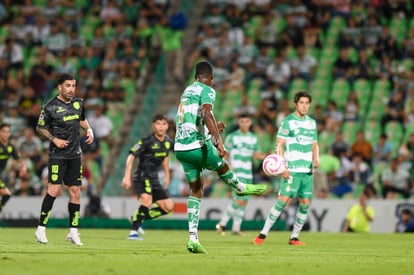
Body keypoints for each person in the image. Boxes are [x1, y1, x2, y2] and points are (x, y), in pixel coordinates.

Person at [174, 61, 267, 254]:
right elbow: (208, 113)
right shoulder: (207, 90)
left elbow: (197, 119)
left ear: (195, 77)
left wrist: (214, 131)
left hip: (181, 147)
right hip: (195, 144)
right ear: (212, 77)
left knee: (197, 189)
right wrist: (218, 141)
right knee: (221, 165)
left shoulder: (187, 91)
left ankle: (193, 239)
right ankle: (241, 188)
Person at [34, 73, 94, 246]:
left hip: (75, 155)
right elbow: (40, 128)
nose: (71, 89)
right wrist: (54, 139)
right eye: (68, 85)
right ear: (60, 87)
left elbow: (81, 119)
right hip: (57, 155)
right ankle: (41, 228)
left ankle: (73, 232)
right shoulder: (50, 106)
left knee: (76, 191)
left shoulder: (79, 103)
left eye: (73, 85)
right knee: (54, 190)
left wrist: (89, 130)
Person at [253, 91, 319, 246]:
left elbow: (314, 143)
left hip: (307, 170)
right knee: (282, 201)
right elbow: (279, 144)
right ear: (295, 104)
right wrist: (281, 167)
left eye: (307, 103)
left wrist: (317, 158)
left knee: (304, 203)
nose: (304, 106)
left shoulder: (312, 123)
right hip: (292, 169)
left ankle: (294, 237)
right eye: (301, 103)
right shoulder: (288, 122)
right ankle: (262, 234)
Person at [121, 114, 174, 241]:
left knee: (168, 207)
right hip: (142, 176)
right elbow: (131, 155)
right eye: (158, 124)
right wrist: (126, 176)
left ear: (167, 126)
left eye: (163, 124)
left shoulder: (168, 142)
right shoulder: (146, 142)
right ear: (153, 125)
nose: (161, 127)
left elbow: (166, 157)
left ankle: (137, 218)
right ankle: (133, 232)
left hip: (154, 178)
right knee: (147, 201)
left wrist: (167, 175)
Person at [216, 113, 267, 236]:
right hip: (236, 172)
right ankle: (222, 224)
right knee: (239, 200)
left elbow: (256, 155)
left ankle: (236, 228)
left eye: (247, 121)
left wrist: (268, 156)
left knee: (244, 201)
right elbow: (224, 154)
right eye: (242, 121)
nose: (244, 123)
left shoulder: (254, 138)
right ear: (239, 122)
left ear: (250, 123)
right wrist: (226, 166)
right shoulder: (232, 137)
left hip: (248, 173)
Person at [0, 123, 27, 214]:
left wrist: (23, 167)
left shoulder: (10, 147)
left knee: (7, 194)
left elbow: (19, 160)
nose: (6, 134)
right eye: (3, 131)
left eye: (8, 132)